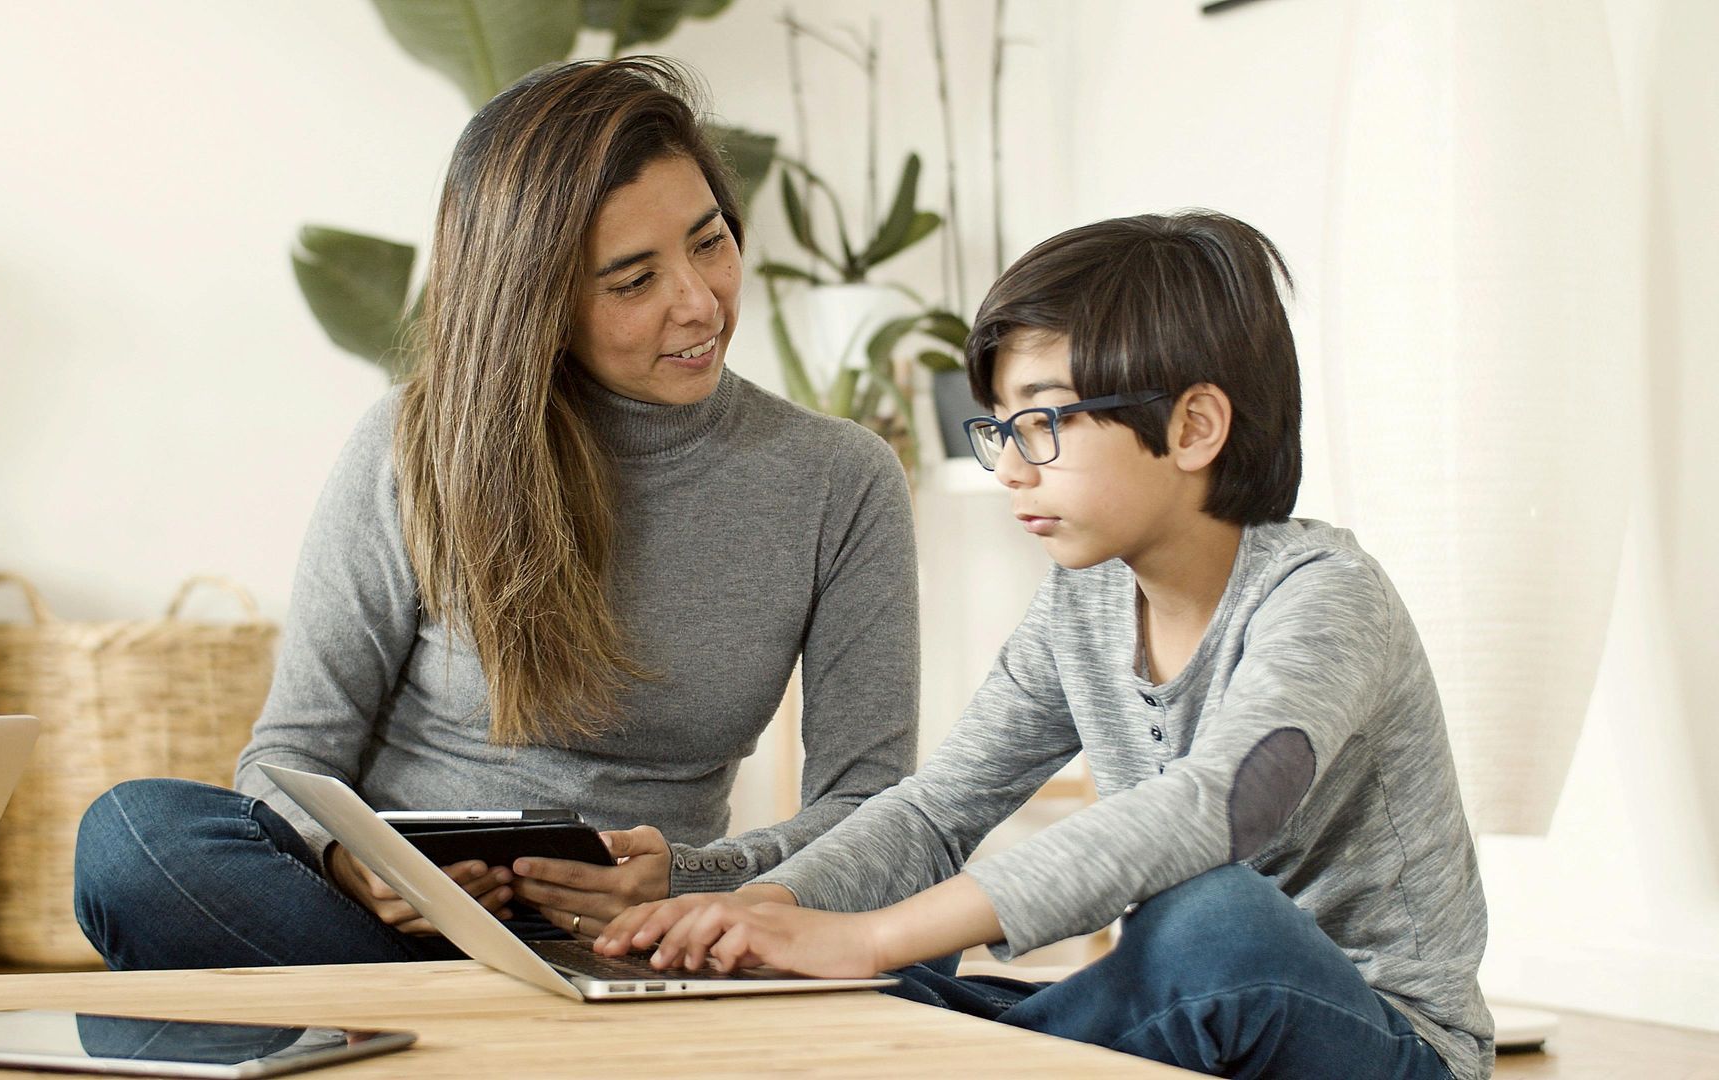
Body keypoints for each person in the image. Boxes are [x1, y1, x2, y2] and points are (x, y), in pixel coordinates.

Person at [598, 211, 1495, 1079]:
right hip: (1188, 1024)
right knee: (888, 956)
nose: (1011, 469)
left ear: (1193, 427)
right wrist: (771, 906)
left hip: (1388, 1042)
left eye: (1043, 423)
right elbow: (937, 812)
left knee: (1212, 919)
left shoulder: (1325, 595)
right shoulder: (1084, 604)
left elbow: (1220, 807)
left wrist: (866, 937)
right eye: (999, 429)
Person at [72, 57, 918, 970]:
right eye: (633, 281)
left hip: (650, 945)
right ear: (540, 303)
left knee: (918, 915)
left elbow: (869, 810)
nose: (699, 300)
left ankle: (444, 1039)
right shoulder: (416, 444)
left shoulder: (841, 479)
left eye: (709, 242)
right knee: (133, 836)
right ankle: (487, 1026)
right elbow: (292, 753)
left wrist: (692, 877)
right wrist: (357, 864)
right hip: (386, 936)